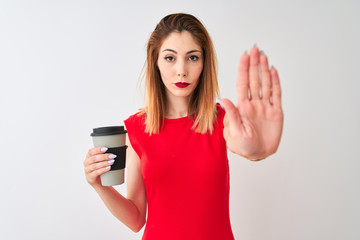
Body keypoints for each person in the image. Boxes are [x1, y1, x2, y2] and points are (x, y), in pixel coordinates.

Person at [83, 13, 283, 240]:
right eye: (170, 58)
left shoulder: (222, 120)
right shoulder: (137, 128)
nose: (181, 71)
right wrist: (99, 186)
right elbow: (136, 219)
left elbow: (247, 147)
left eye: (192, 57)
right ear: (155, 61)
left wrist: (258, 149)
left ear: (204, 63)